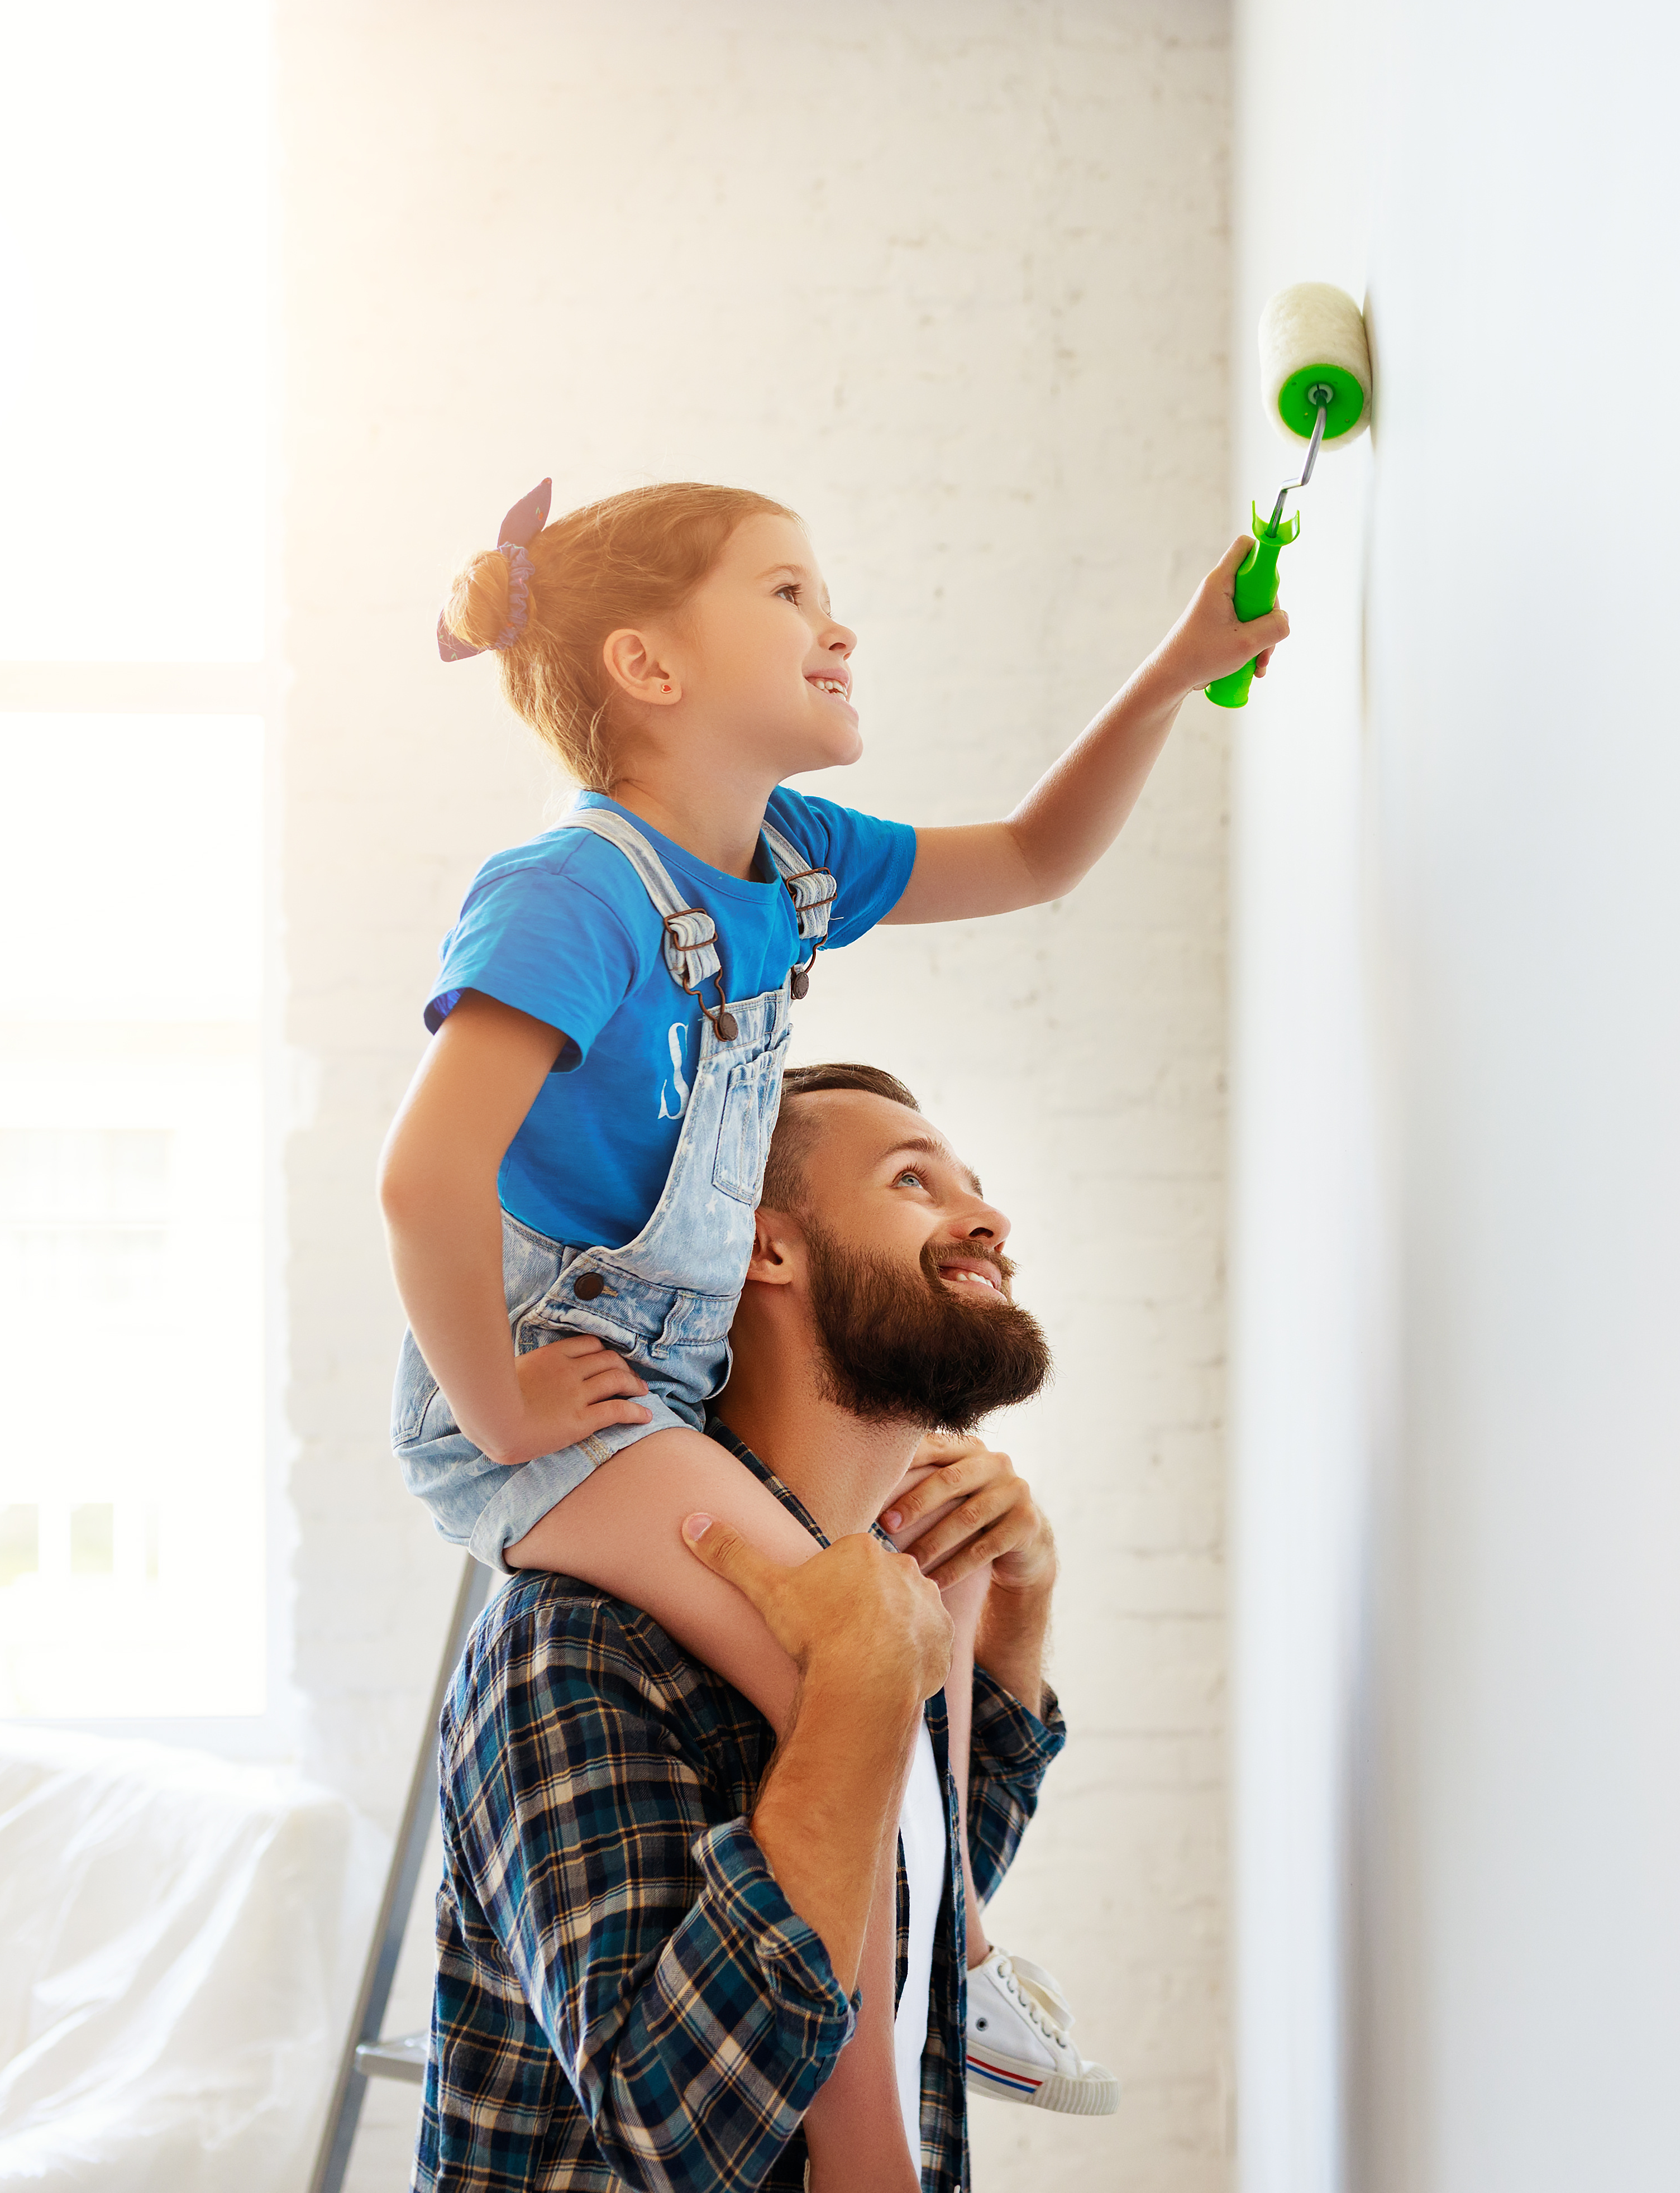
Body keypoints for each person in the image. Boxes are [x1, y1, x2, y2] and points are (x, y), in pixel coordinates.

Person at [381, 479, 1273, 2172]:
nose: (838, 622)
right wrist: (499, 1405)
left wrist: (1173, 668)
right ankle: (944, 2037)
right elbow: (422, 1176)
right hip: (563, 1404)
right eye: (789, 590)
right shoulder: (572, 888)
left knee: (906, 1611)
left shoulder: (787, 864)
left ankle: (964, 1971)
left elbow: (1031, 855)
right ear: (645, 663)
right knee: (839, 1671)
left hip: (658, 1383)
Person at [421, 1064, 1106, 2193]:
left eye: (973, 1186)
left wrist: (1013, 1614)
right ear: (764, 1245)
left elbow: (909, 1906)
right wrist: (853, 1690)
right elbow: (677, 2139)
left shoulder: (880, 1602)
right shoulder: (580, 1638)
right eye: (913, 1182)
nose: (986, 1218)